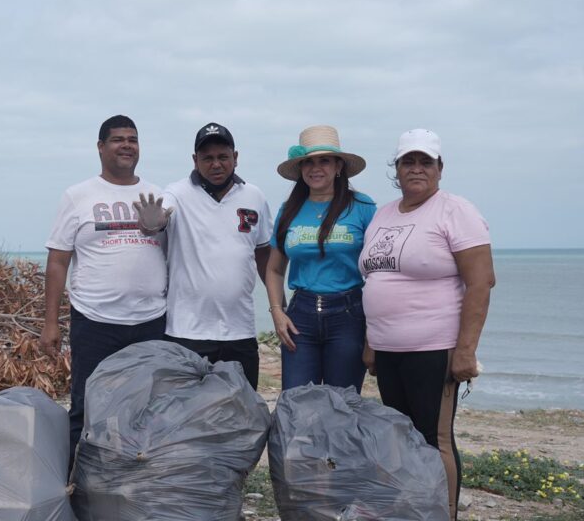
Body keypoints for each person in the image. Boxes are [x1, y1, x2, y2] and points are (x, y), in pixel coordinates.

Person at [359, 128, 495, 521]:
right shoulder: (383, 215)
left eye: (425, 162)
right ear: (396, 169)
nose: (416, 169)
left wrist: (466, 349)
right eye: (408, 162)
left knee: (433, 438)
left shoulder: (456, 211)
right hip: (388, 349)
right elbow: (375, 280)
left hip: (434, 347)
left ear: (440, 168)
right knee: (400, 439)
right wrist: (371, 342)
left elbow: (480, 282)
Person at [40, 115, 168, 460]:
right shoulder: (77, 196)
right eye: (117, 139)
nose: (127, 145)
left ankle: (134, 485)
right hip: (95, 321)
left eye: (133, 139)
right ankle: (75, 486)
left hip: (151, 321)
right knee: (86, 407)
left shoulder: (160, 196)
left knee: (147, 409)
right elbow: (57, 261)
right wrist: (51, 323)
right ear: (100, 147)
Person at [136, 122, 271, 389]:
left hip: (240, 331)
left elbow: (264, 254)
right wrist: (151, 221)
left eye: (223, 157)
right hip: (186, 333)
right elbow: (158, 220)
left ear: (236, 157)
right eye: (207, 158)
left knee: (244, 414)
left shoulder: (255, 196)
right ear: (195, 160)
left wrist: (279, 305)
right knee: (186, 416)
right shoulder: (177, 193)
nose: (216, 164)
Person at [265, 126, 376, 392]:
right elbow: (274, 269)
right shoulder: (289, 210)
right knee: (297, 404)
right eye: (308, 162)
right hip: (300, 317)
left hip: (349, 316)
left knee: (342, 404)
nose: (316, 168)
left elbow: (376, 271)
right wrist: (277, 313)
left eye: (324, 160)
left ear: (339, 166)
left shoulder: (362, 207)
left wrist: (375, 326)